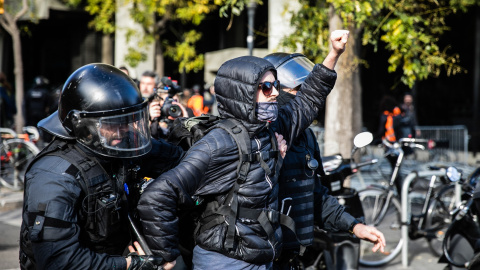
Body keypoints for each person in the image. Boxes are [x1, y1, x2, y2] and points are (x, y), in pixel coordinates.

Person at [137, 30, 385, 270]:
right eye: (266, 87)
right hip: (226, 261)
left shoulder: (271, 131)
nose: (275, 92)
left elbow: (310, 99)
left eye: (276, 85)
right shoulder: (220, 143)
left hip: (262, 256)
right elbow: (157, 197)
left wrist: (334, 53)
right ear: (244, 93)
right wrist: (168, 258)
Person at [19, 63, 185, 270]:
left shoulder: (117, 144)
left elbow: (177, 157)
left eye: (127, 121)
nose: (124, 130)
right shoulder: (53, 176)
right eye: (113, 123)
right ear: (80, 123)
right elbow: (59, 261)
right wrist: (131, 265)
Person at [264, 52, 386, 269]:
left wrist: (355, 226)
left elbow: (315, 196)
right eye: (296, 91)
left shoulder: (306, 137)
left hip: (293, 256)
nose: (302, 98)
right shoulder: (259, 138)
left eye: (304, 91)